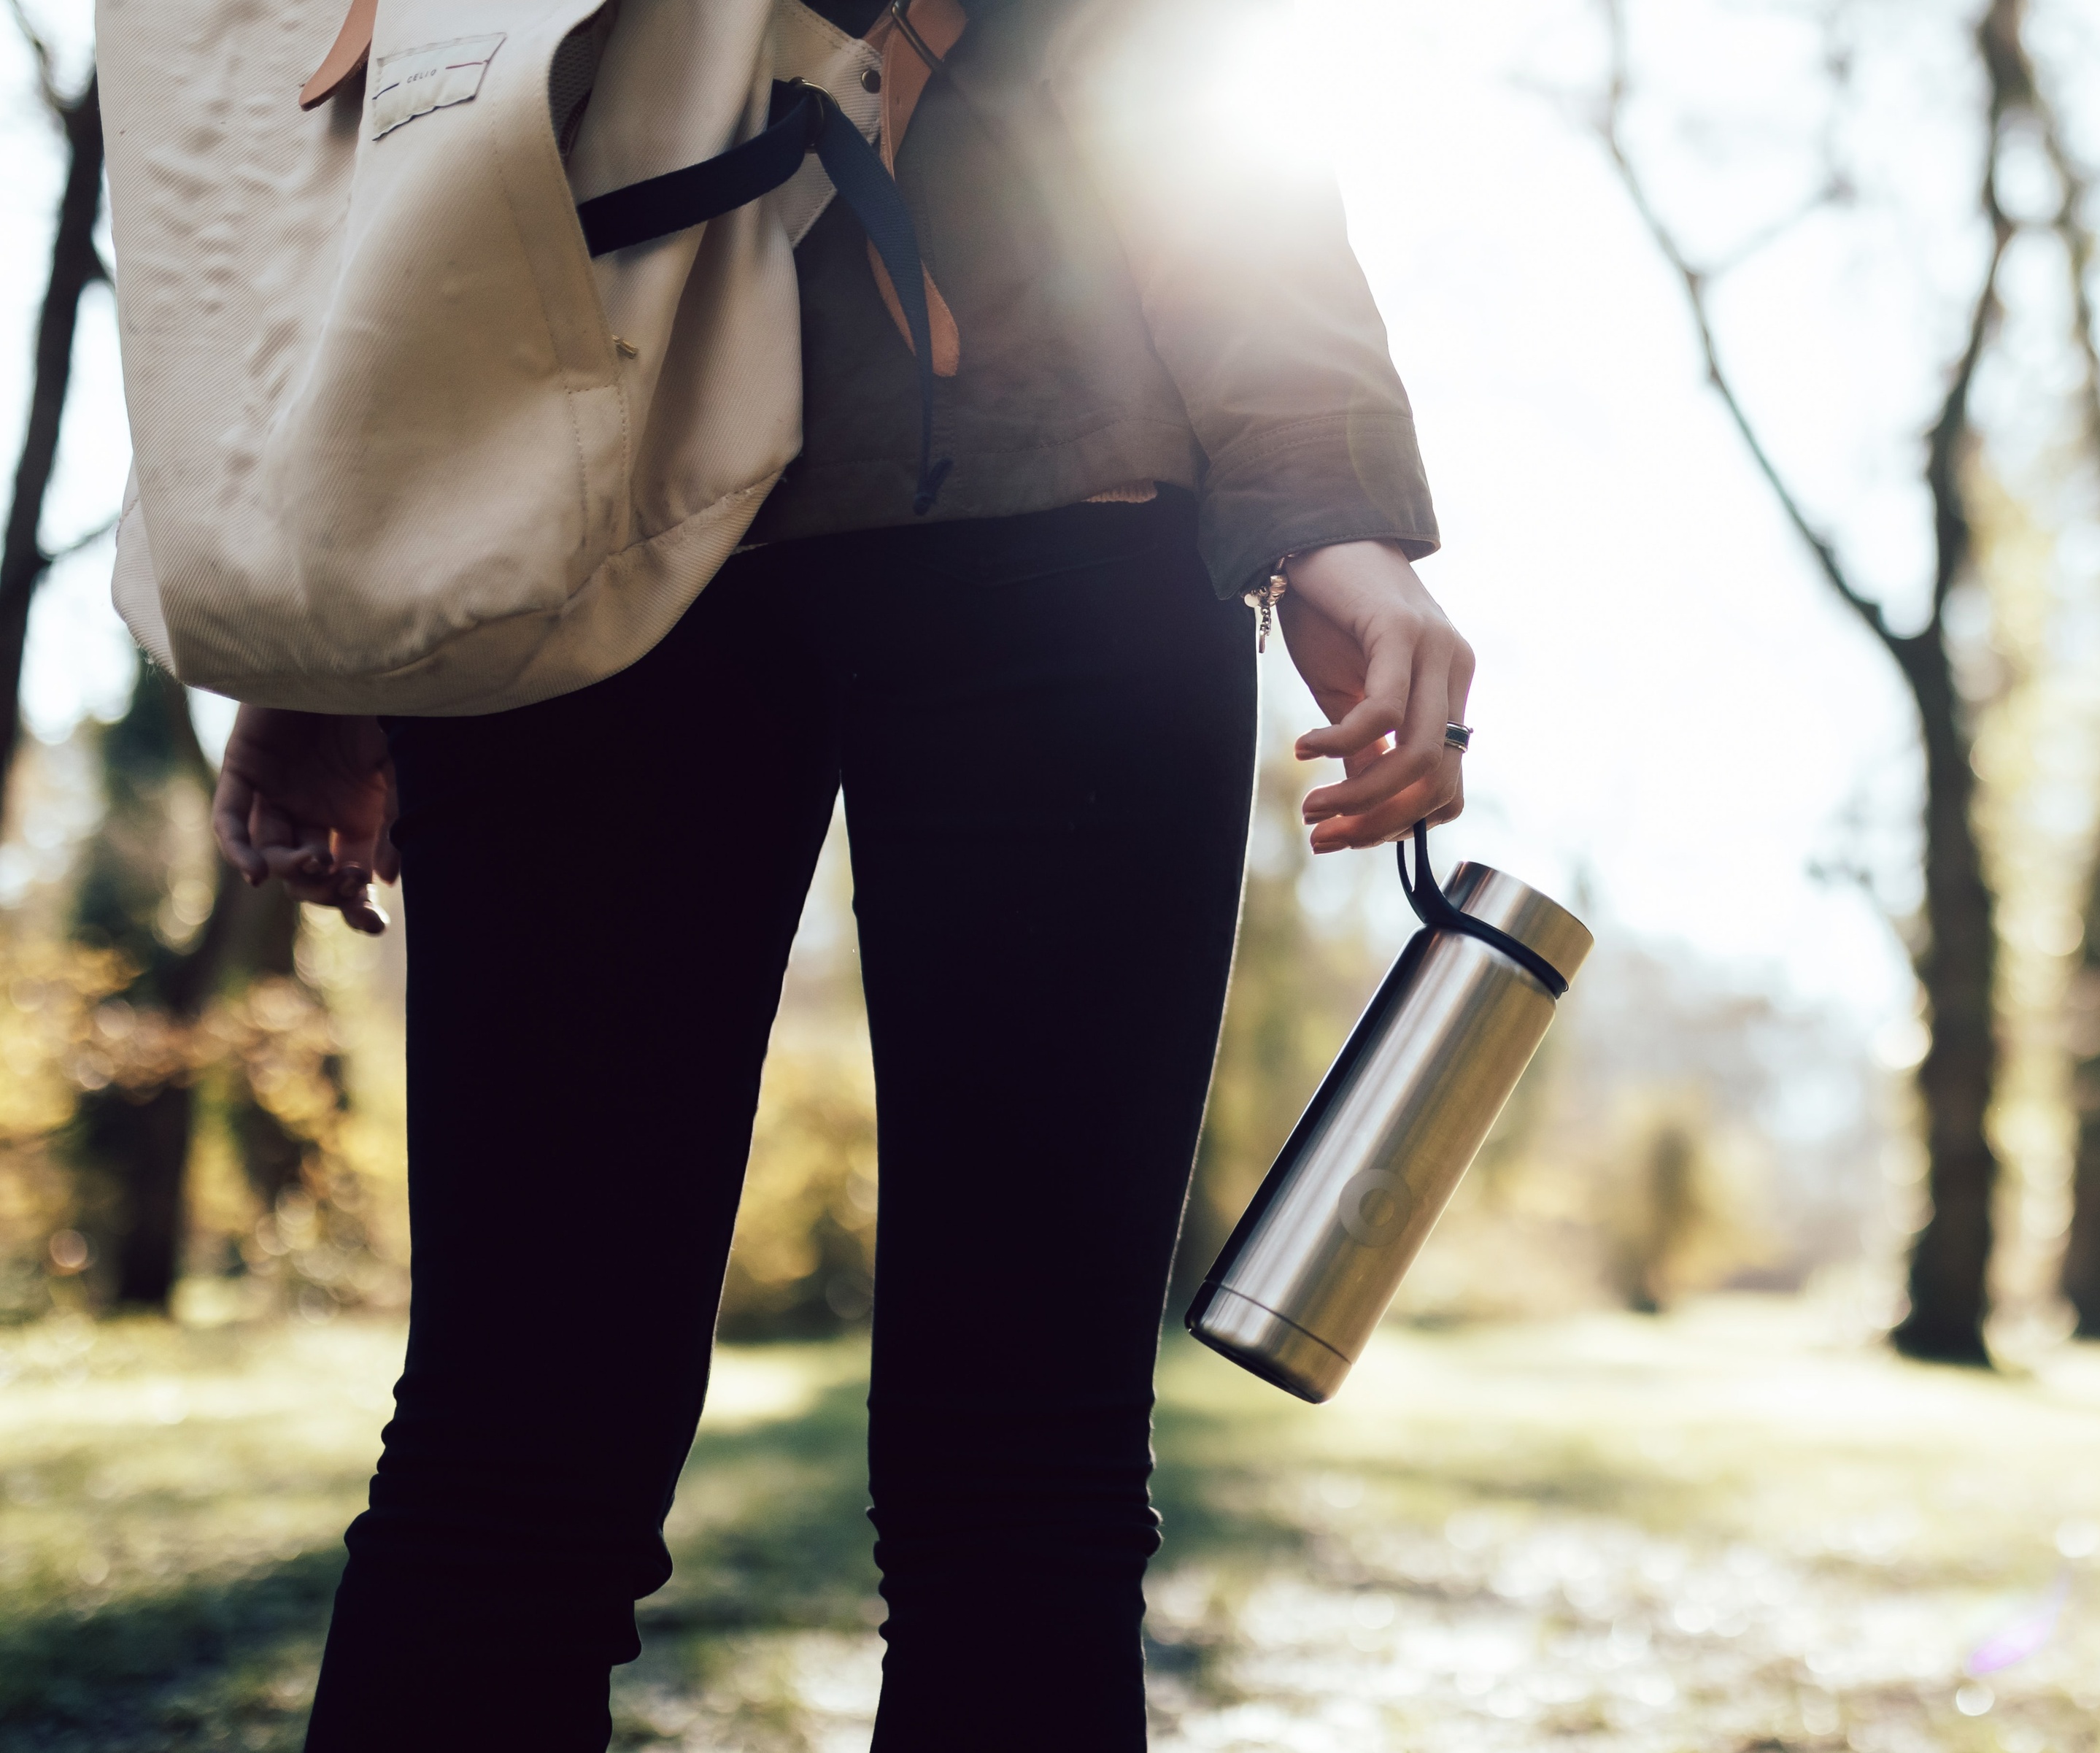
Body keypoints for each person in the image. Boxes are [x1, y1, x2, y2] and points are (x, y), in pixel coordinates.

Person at [203, 2, 1470, 1746]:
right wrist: (320, 628)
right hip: (694, 520)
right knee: (589, 1461)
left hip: (914, 506)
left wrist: (1326, 501)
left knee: (584, 1463)